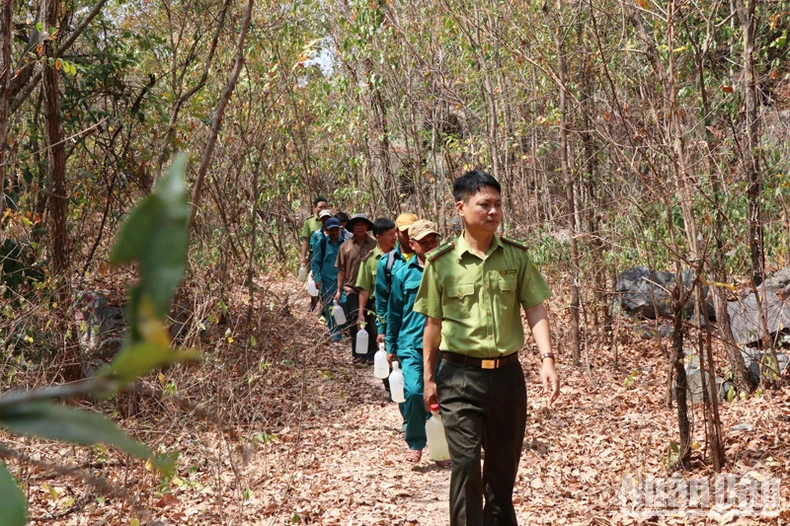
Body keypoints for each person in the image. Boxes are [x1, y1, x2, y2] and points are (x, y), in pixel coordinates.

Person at [414, 170, 560, 526]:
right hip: (459, 376)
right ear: (461, 208)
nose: (493, 211)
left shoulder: (516, 256)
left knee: (502, 468)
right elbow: (432, 325)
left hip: (507, 377)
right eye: (484, 204)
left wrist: (547, 359)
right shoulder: (441, 262)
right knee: (465, 465)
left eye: (498, 204)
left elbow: (535, 307)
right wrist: (429, 378)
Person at [385, 219, 441, 464]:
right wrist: (390, 345)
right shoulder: (402, 273)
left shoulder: (448, 269)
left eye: (433, 240)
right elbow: (394, 311)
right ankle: (416, 441)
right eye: (424, 242)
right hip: (411, 344)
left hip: (444, 344)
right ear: (412, 244)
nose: (430, 246)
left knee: (444, 396)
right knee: (416, 391)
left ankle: (442, 445)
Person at [335, 213, 376, 362]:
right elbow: (341, 270)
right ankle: (358, 354)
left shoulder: (374, 245)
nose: (360, 227)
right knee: (354, 318)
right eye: (357, 224)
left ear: (367, 227)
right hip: (352, 289)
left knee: (370, 320)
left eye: (363, 224)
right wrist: (339, 290)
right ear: (352, 227)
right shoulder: (345, 247)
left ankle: (371, 354)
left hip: (371, 290)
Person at [356, 218, 398, 362]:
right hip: (378, 309)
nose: (394, 238)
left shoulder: (402, 256)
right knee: (383, 344)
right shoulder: (370, 260)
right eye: (390, 234)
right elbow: (364, 289)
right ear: (378, 237)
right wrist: (361, 314)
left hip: (399, 306)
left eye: (395, 233)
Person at [374, 213, 418, 346]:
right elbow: (381, 298)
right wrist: (381, 330)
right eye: (405, 232)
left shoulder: (428, 259)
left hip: (421, 325)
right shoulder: (387, 262)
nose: (409, 235)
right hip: (396, 326)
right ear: (397, 232)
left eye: (413, 231)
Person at [311, 218, 345, 342]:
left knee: (345, 304)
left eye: (336, 229)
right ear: (326, 230)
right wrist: (317, 278)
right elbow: (315, 263)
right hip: (327, 281)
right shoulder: (321, 244)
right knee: (330, 307)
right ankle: (335, 334)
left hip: (343, 280)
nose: (335, 232)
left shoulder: (345, 243)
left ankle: (345, 329)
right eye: (332, 229)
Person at [301, 197, 329, 312]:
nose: (322, 209)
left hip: (328, 254)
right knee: (313, 279)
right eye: (320, 207)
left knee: (325, 279)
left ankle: (324, 305)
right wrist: (303, 257)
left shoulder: (331, 220)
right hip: (314, 254)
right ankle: (313, 302)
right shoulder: (310, 222)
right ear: (315, 208)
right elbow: (306, 240)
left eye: (325, 207)